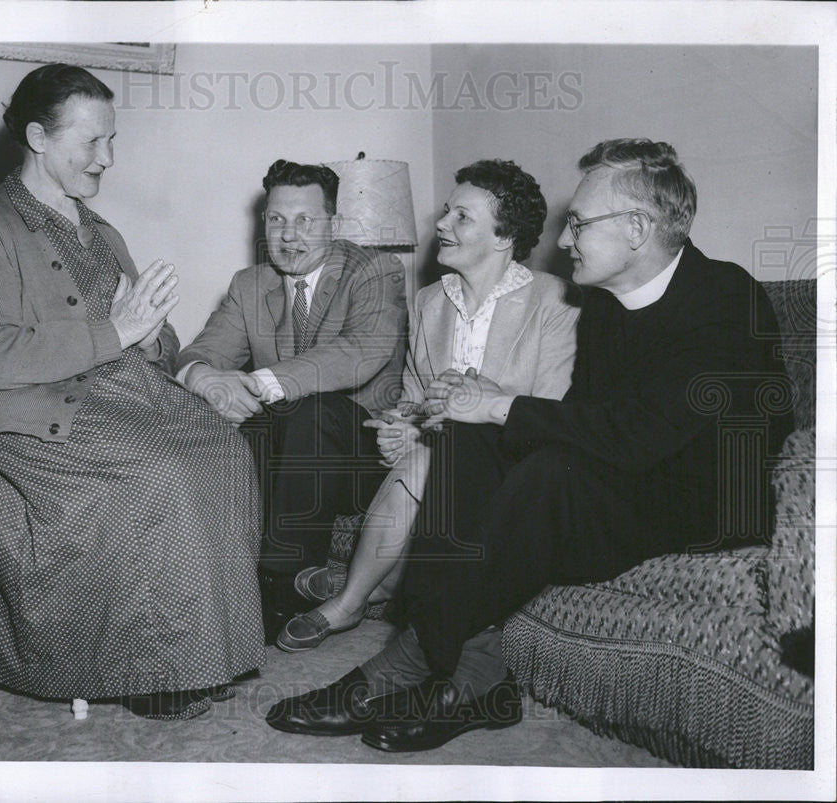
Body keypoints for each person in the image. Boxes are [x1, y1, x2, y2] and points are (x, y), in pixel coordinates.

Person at [266, 139, 793, 752]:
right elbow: (584, 420)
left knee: (544, 472)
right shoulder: (600, 305)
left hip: (704, 504)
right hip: (625, 479)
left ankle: (404, 659)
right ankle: (477, 682)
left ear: (637, 229)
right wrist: (479, 413)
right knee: (463, 440)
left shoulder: (724, 297)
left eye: (577, 224)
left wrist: (500, 403)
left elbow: (643, 435)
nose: (563, 241)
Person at [0, 64, 264, 721]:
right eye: (91, 143)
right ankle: (153, 670)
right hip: (32, 414)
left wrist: (147, 338)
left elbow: (153, 333)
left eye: (111, 140)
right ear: (38, 136)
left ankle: (209, 650)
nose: (108, 158)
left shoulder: (100, 229)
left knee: (226, 447)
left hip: (123, 393)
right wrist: (117, 329)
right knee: (163, 471)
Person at [274, 159, 579, 652]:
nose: (440, 224)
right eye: (445, 211)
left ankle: (348, 600)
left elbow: (546, 410)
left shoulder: (556, 301)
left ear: (504, 237)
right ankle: (382, 590)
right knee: (421, 457)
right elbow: (414, 397)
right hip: (436, 463)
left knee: (427, 459)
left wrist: (439, 427)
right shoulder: (429, 302)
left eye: (462, 217)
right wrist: (403, 424)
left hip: (514, 466)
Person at [176, 159, 408, 641]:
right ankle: (227, 584)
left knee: (303, 407)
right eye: (276, 219)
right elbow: (203, 351)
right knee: (241, 420)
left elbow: (359, 353)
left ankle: (282, 588)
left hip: (365, 460)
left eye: (306, 220)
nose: (288, 235)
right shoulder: (250, 285)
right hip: (291, 455)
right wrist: (206, 379)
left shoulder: (374, 271)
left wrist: (257, 384)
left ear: (335, 224)